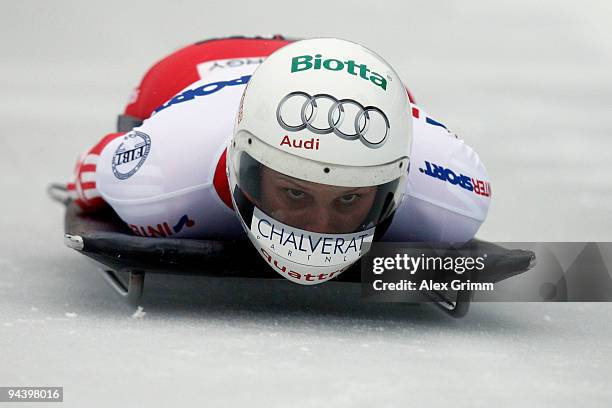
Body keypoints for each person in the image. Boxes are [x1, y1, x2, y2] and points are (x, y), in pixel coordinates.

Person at [67, 35, 491, 284]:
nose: (319, 227)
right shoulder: (160, 173)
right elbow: (97, 168)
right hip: (194, 73)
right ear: (245, 166)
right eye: (295, 191)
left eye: (348, 199)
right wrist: (90, 190)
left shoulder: (453, 191)